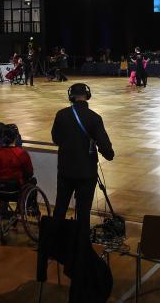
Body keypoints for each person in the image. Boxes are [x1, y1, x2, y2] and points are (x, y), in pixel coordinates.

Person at [51, 83, 114, 233]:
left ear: (70, 96)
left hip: (65, 170)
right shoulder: (94, 118)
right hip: (86, 172)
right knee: (83, 211)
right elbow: (105, 146)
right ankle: (81, 245)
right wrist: (109, 155)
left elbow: (56, 139)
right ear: (87, 96)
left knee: (60, 207)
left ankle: (54, 241)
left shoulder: (61, 114)